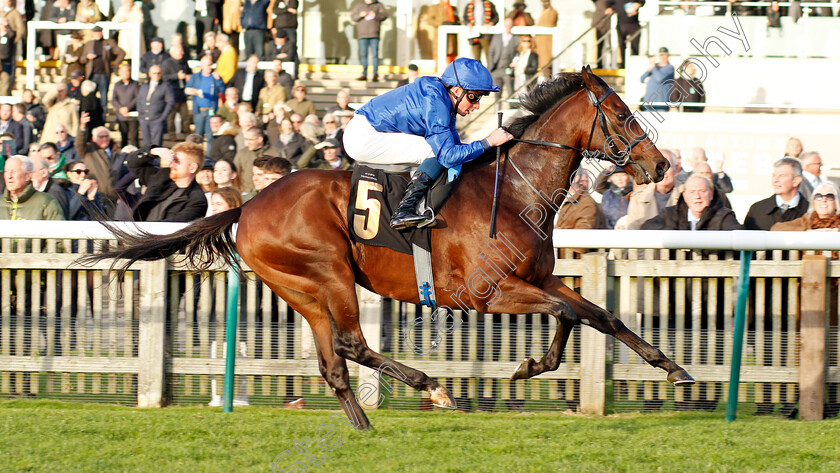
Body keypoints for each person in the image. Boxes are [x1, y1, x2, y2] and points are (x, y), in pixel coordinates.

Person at [343, 57, 512, 229]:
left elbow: (457, 149)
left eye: (479, 98)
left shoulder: (443, 99)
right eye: (473, 97)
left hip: (367, 130)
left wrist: (487, 146)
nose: (476, 106)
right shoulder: (436, 104)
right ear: (456, 90)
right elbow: (447, 156)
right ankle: (403, 211)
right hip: (363, 136)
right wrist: (489, 142)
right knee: (435, 153)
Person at [126, 142, 208, 221]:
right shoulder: (161, 176)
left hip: (157, 233)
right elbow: (132, 163)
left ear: (192, 168)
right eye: (172, 160)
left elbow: (174, 226)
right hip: (139, 231)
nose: (171, 164)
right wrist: (153, 151)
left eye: (176, 161)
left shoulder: (198, 201)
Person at [641, 174, 741, 231]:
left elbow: (740, 236)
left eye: (702, 191)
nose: (697, 197)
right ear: (684, 196)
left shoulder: (724, 216)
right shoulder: (669, 214)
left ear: (711, 194)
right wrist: (675, 238)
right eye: (692, 192)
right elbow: (646, 227)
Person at [744, 157, 808, 231]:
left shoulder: (810, 211)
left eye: (782, 175)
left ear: (796, 181)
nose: (775, 180)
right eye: (774, 175)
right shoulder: (757, 209)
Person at [625, 150, 680, 229]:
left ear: (676, 168)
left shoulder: (688, 194)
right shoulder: (637, 199)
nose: (663, 171)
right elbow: (633, 232)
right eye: (658, 166)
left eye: (667, 166)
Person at [77, 111, 120, 213]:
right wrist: (82, 126)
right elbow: (79, 142)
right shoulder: (88, 150)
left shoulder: (117, 152)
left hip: (115, 198)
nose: (105, 139)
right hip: (98, 196)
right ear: (94, 138)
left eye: (107, 136)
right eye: (101, 137)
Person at [1, 155, 64, 220]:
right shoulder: (1, 202)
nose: (9, 176)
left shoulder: (47, 202)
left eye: (14, 172)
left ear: (28, 176)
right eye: (6, 171)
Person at [79, 25, 126, 110]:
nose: (98, 34)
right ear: (93, 33)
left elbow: (122, 53)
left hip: (104, 74)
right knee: (89, 98)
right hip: (92, 75)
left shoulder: (109, 43)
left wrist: (115, 64)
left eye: (99, 32)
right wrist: (87, 57)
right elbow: (82, 59)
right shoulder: (89, 44)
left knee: (104, 99)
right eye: (96, 32)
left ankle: (103, 118)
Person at [186, 54, 226, 144]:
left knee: (210, 136)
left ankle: (209, 156)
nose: (209, 67)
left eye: (211, 64)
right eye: (207, 65)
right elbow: (186, 90)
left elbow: (222, 91)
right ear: (202, 65)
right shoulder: (195, 77)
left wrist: (219, 80)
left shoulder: (214, 77)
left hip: (211, 110)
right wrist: (194, 91)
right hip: (199, 110)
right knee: (197, 135)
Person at [771, 181, 840, 232]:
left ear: (836, 201)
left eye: (829, 196)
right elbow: (776, 228)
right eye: (819, 196)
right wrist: (807, 231)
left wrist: (837, 231)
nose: (823, 200)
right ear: (813, 201)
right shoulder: (806, 220)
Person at [138, 65, 175, 147]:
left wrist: (162, 117)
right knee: (146, 145)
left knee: (156, 145)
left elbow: (170, 102)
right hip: (144, 119)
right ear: (150, 74)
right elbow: (139, 101)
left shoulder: (165, 86)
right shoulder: (144, 86)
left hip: (157, 119)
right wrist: (140, 116)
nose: (156, 75)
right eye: (154, 73)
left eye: (158, 73)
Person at [234, 127, 280, 193]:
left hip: (270, 192)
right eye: (246, 139)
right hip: (247, 193)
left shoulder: (274, 153)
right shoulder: (242, 154)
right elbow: (236, 173)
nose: (248, 142)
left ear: (260, 139)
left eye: (250, 140)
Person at [352, 0, 388, 82]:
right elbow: (353, 17)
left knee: (375, 55)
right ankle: (364, 74)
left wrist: (376, 15)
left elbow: (384, 15)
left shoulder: (378, 5)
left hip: (374, 34)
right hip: (362, 35)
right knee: (363, 55)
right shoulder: (359, 5)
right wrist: (360, 15)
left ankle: (375, 74)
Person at [162, 45, 192, 136]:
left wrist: (189, 77)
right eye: (180, 51)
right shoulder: (167, 63)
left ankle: (186, 132)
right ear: (173, 53)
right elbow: (164, 77)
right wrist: (176, 76)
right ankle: (172, 134)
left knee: (185, 115)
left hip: (182, 93)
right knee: (171, 116)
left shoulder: (183, 62)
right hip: (172, 93)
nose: (182, 53)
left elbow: (190, 73)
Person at [606, 0, 643, 68]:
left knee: (635, 46)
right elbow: (608, 4)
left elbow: (642, 1)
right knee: (621, 46)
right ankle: (623, 65)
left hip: (634, 24)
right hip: (621, 24)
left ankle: (634, 65)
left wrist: (637, 5)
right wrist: (609, 9)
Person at [487, 17, 518, 97]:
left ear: (512, 25)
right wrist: (491, 67)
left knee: (510, 92)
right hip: (496, 69)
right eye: (507, 23)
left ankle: (512, 108)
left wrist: (514, 62)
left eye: (510, 23)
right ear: (504, 24)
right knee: (497, 94)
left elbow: (518, 53)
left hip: (508, 70)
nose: (508, 25)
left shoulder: (516, 38)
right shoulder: (496, 37)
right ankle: (497, 109)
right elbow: (491, 52)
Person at [462, 0, 499, 65]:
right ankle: (478, 73)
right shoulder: (469, 5)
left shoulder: (489, 4)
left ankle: (489, 73)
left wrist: (490, 23)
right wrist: (468, 24)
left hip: (485, 35)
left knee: (489, 55)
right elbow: (465, 18)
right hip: (474, 35)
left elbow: (496, 17)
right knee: (476, 58)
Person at [113, 63, 140, 147]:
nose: (126, 73)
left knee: (133, 138)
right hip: (121, 116)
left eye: (127, 71)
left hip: (132, 115)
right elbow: (114, 99)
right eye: (123, 71)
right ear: (120, 73)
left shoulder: (135, 84)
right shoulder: (117, 85)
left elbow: (137, 98)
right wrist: (120, 108)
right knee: (123, 137)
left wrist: (128, 108)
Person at [641, 47, 674, 113]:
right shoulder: (655, 68)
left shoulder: (669, 68)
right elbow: (642, 79)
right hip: (648, 102)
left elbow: (659, 78)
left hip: (660, 103)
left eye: (663, 55)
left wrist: (653, 66)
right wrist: (648, 71)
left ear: (668, 56)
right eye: (660, 55)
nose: (662, 57)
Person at [427, 0, 459, 65]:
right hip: (440, 35)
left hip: (452, 35)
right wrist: (441, 23)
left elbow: (457, 19)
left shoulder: (453, 8)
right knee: (439, 54)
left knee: (451, 54)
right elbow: (429, 20)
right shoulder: (434, 7)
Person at [268, 0, 298, 67]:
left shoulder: (293, 1)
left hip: (290, 27)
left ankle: (295, 68)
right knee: (278, 44)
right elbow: (275, 10)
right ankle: (278, 58)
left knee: (293, 47)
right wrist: (287, 10)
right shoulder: (278, 1)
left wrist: (282, 10)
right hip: (280, 27)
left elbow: (293, 8)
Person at [535, 0, 557, 77]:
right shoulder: (544, 12)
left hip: (546, 45)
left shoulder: (552, 12)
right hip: (541, 45)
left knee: (547, 66)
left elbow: (549, 24)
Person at [0, 16, 15, 96]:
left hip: (5, 63)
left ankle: (3, 99)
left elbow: (12, 34)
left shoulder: (8, 35)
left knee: (5, 81)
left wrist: (6, 24)